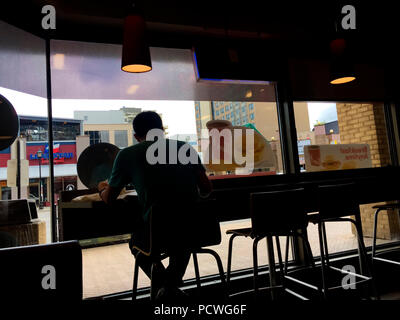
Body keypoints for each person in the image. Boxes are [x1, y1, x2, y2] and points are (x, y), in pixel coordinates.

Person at [98, 111, 212, 300]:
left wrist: (102, 187)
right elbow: (207, 188)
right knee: (183, 240)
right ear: (161, 130)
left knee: (136, 243)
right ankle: (170, 286)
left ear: (136, 136)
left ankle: (163, 284)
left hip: (157, 231)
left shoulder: (127, 154)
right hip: (193, 228)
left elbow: (110, 198)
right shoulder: (185, 148)